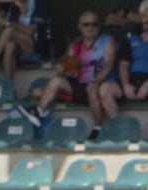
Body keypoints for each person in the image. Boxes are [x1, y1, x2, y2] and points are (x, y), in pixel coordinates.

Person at [16, 10, 118, 140]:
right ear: (79, 26)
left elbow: (109, 64)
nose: (90, 27)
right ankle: (38, 112)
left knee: (93, 89)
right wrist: (62, 69)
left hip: (101, 84)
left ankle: (98, 127)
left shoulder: (107, 41)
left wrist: (96, 82)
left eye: (94, 24)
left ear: (99, 26)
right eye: (86, 24)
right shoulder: (76, 44)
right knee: (56, 80)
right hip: (81, 84)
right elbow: (65, 64)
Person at [105, 1, 148, 133]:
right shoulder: (130, 37)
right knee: (105, 88)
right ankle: (118, 129)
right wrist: (125, 85)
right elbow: (123, 64)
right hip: (131, 83)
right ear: (140, 17)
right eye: (145, 16)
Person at [0, 0, 41, 76]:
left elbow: (30, 31)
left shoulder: (37, 4)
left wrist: (7, 23)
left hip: (30, 45)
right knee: (10, 45)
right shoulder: (13, 6)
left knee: (10, 30)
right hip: (16, 46)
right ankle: (8, 84)